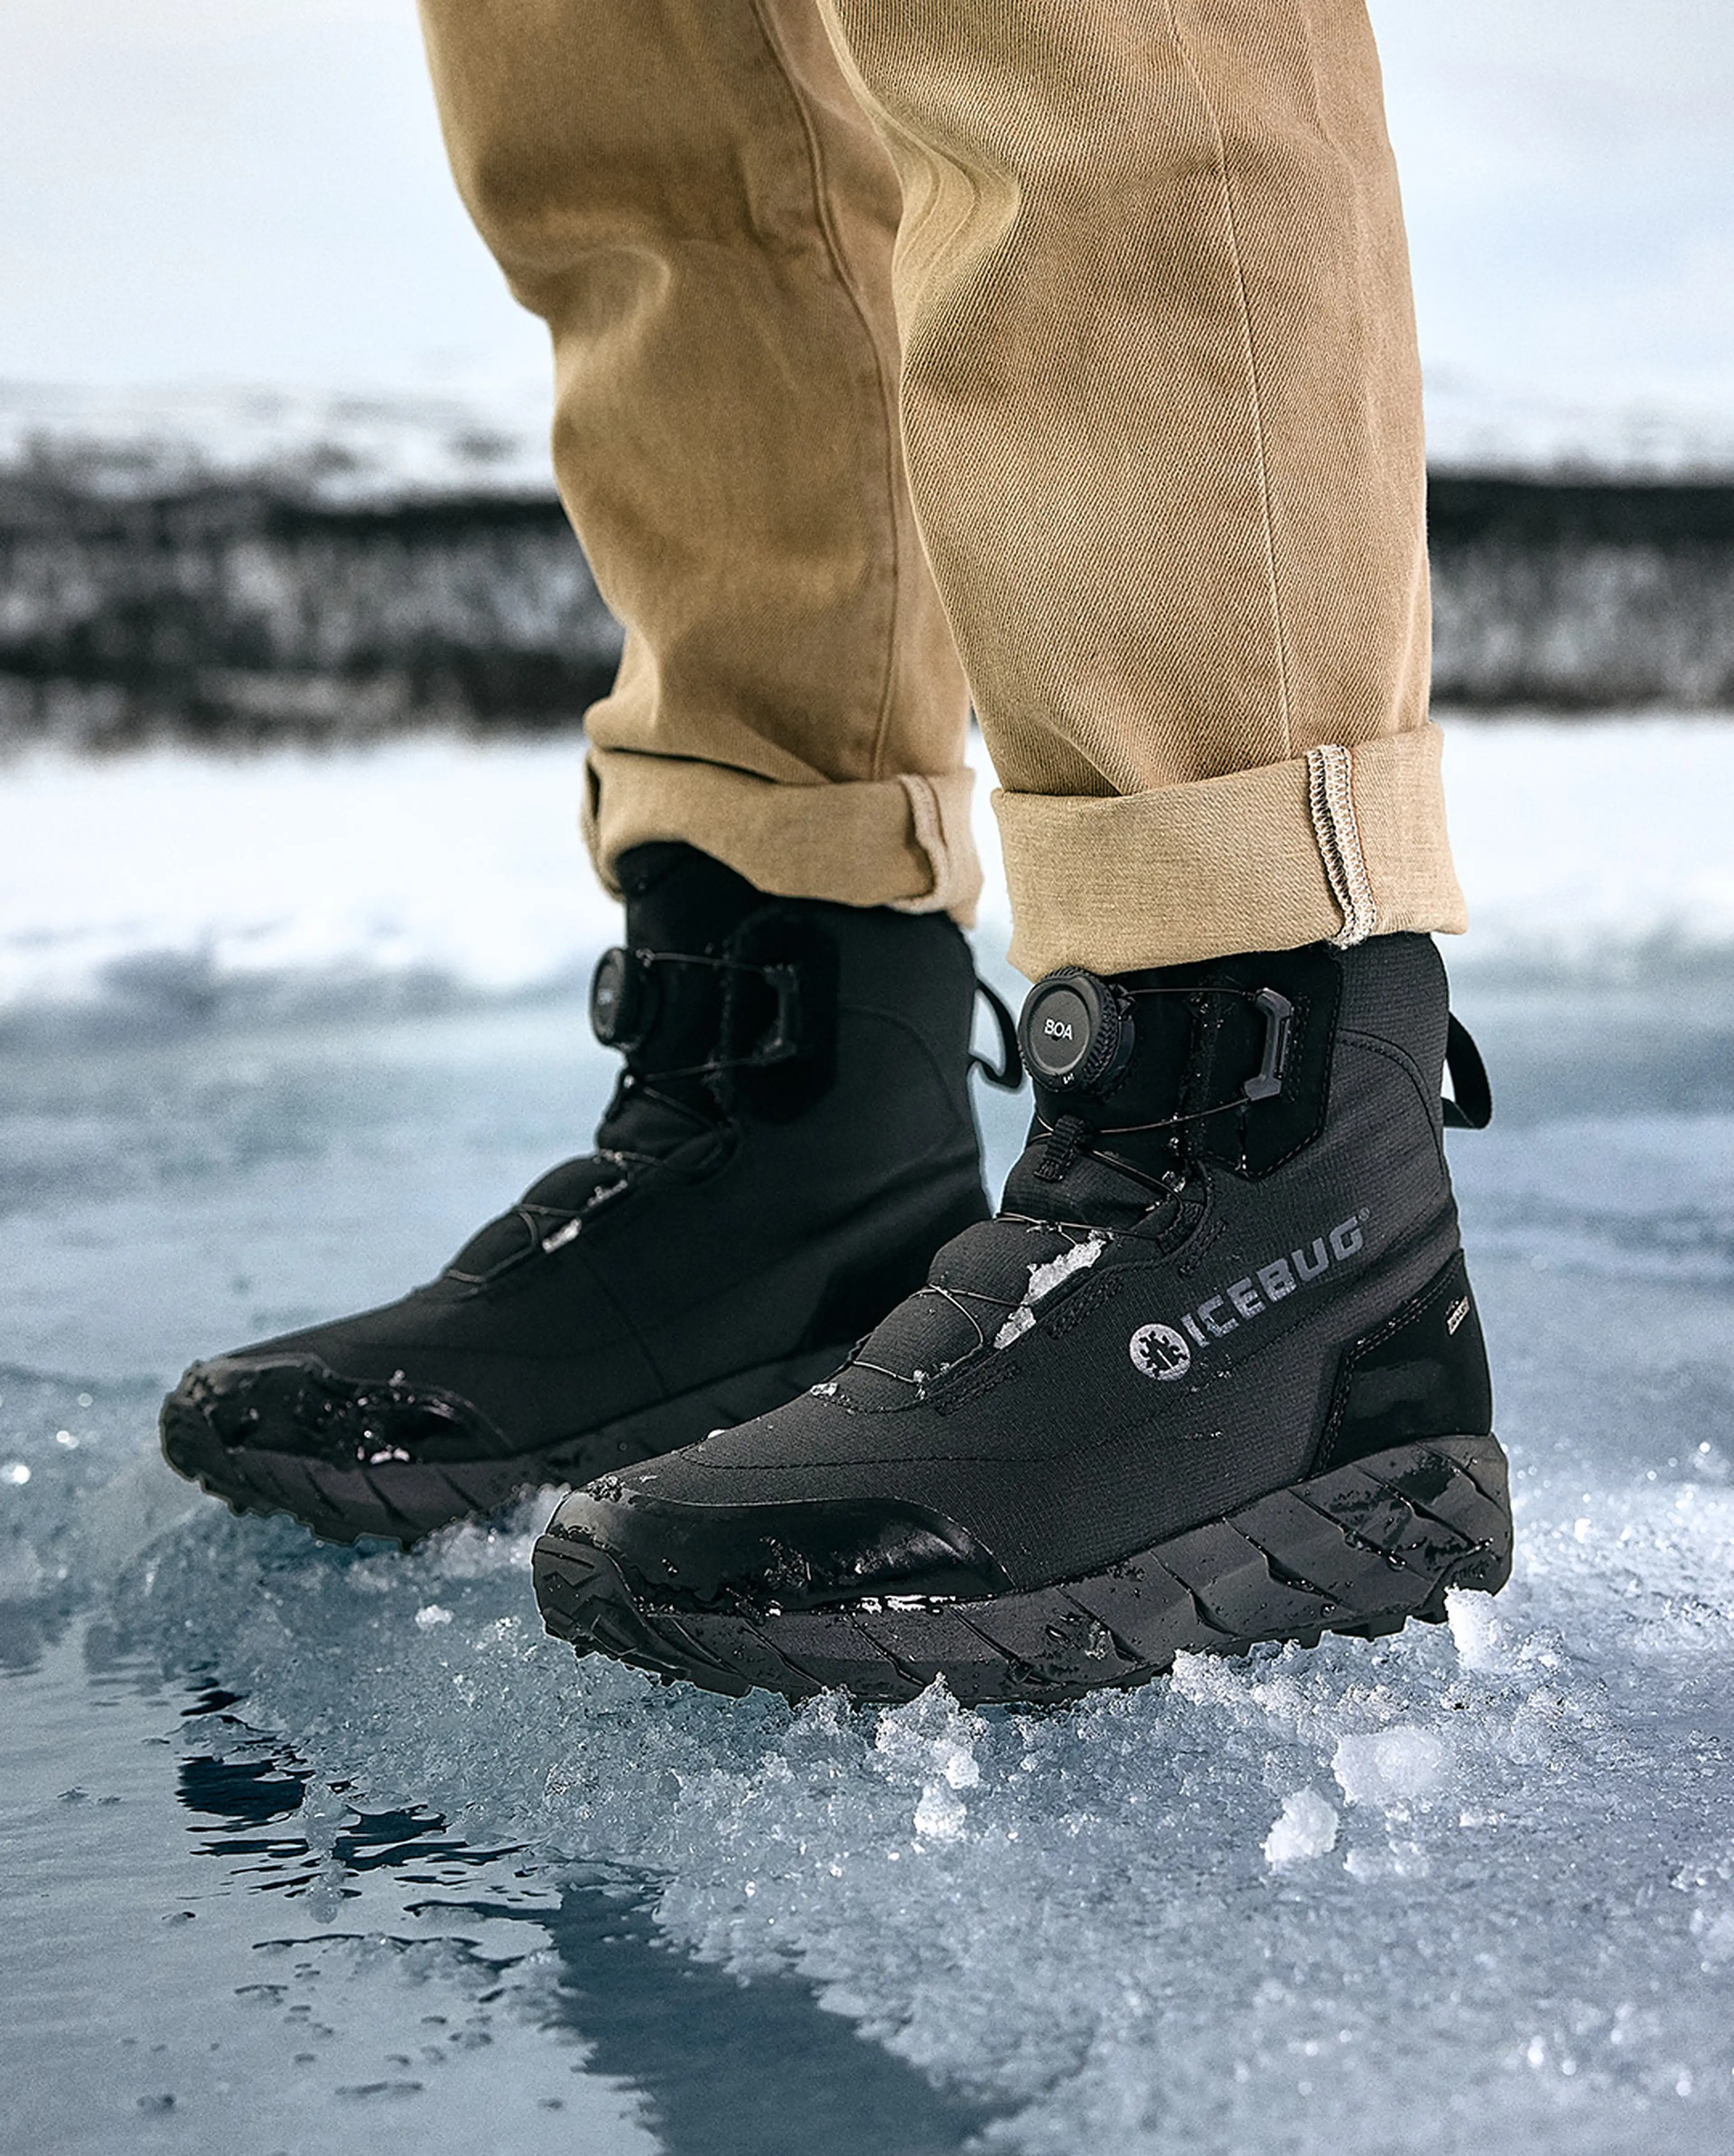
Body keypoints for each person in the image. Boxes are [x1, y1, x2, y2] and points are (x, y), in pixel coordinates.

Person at [161, 0, 1510, 1703]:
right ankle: (799, 1152)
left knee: (1085, 49)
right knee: (653, 117)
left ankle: (1279, 1189)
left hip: (1273, 1136)